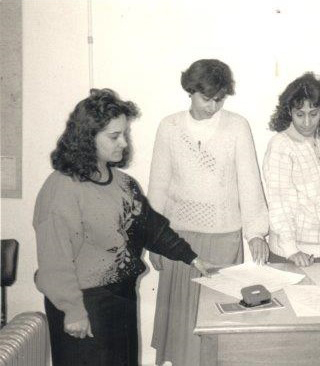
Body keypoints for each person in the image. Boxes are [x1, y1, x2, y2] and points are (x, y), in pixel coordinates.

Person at [33, 88, 215, 366]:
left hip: (121, 301)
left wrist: (194, 258)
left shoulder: (123, 184)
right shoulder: (62, 188)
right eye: (114, 136)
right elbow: (54, 261)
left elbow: (151, 228)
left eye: (125, 134)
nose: (124, 143)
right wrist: (73, 311)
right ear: (86, 137)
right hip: (84, 306)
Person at [148, 59, 269, 366]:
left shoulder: (237, 126)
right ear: (190, 91)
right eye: (207, 99)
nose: (214, 107)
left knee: (219, 326)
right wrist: (153, 240)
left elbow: (249, 182)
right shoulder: (169, 127)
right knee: (182, 329)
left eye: (219, 99)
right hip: (178, 239)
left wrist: (256, 232)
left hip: (224, 237)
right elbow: (158, 185)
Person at [263, 72, 320, 267]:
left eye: (313, 114)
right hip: (289, 253)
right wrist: (291, 249)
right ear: (289, 111)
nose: (307, 123)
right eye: (300, 115)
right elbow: (280, 202)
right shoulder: (281, 145)